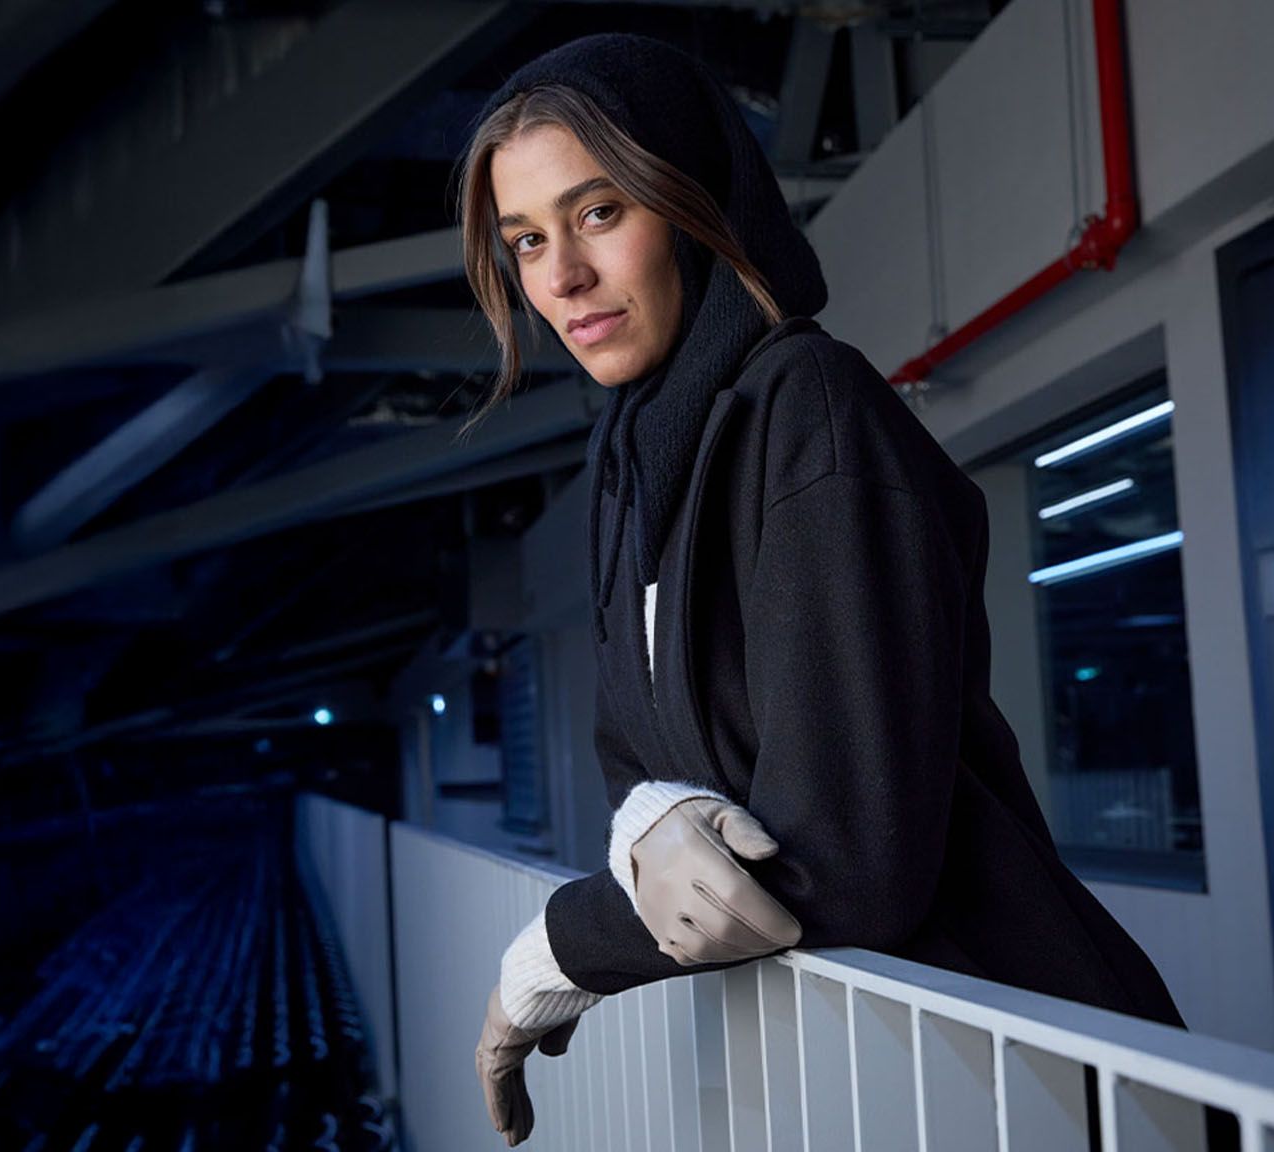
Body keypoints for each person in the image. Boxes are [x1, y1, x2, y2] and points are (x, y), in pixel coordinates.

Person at [459, 33, 1184, 1146]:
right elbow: (633, 762)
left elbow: (842, 861)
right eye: (525, 240)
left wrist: (549, 958)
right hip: (883, 1082)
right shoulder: (633, 471)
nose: (559, 277)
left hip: (1021, 1066)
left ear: (689, 200)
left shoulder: (808, 406)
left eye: (599, 212)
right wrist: (657, 821)